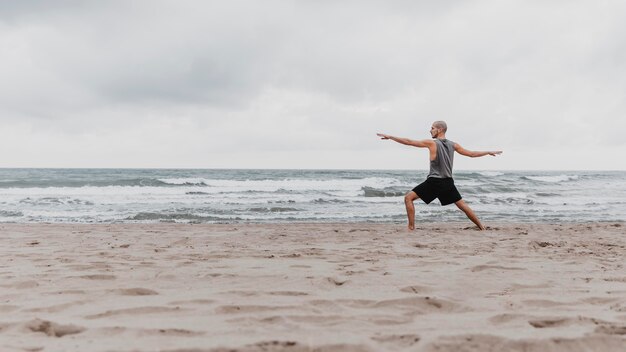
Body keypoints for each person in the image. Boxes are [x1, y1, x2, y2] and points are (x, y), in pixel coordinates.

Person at [377, 121, 502, 231]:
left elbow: (409, 142)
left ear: (440, 129)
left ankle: (411, 228)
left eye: (432, 128)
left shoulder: (432, 143)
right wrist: (487, 152)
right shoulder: (454, 145)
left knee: (408, 198)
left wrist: (391, 137)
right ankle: (481, 227)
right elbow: (471, 154)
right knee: (462, 205)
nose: (430, 130)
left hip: (434, 181)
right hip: (448, 182)